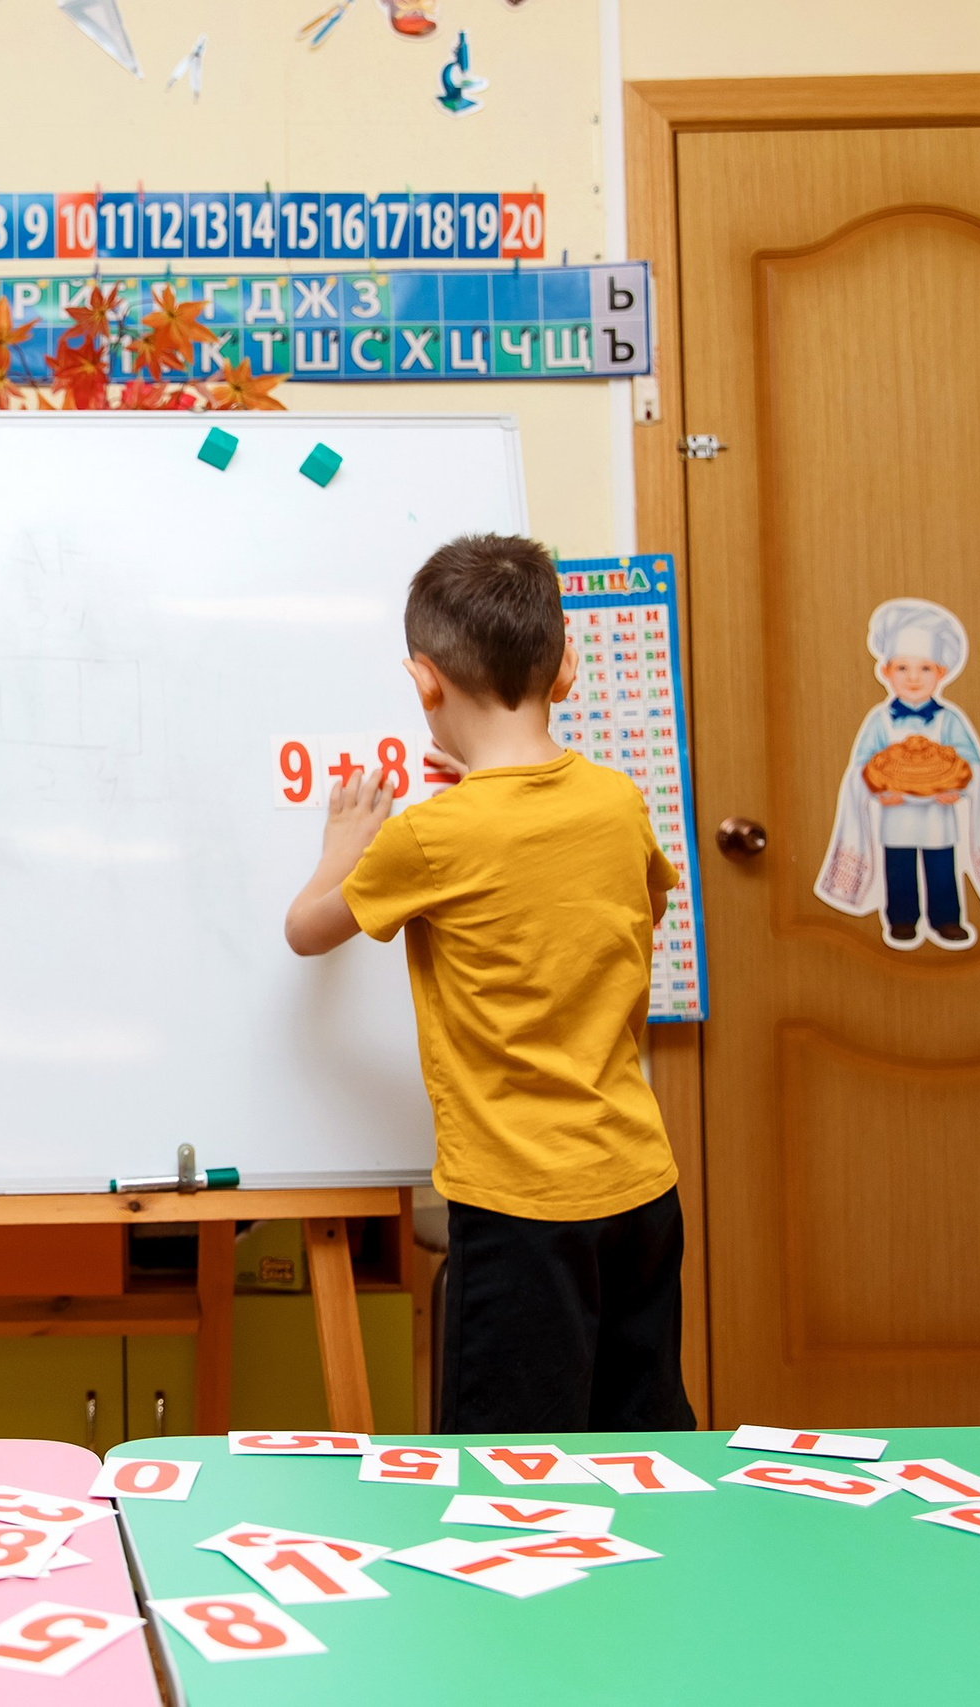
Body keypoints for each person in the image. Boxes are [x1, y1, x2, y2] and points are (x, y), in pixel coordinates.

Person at [282, 533, 693, 1433]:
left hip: (519, 1210)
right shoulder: (618, 803)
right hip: (637, 1185)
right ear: (568, 669)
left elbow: (307, 930)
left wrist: (342, 850)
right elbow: (620, 923)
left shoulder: (432, 838)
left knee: (506, 1471)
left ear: (425, 681)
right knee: (643, 1447)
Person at [813, 597, 980, 950]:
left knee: (942, 869)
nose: (913, 678)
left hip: (939, 816)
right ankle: (902, 919)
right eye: (902, 669)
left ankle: (946, 919)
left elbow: (970, 761)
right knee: (899, 870)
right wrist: (879, 792)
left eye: (924, 669)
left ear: (941, 673)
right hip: (896, 816)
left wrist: (958, 787)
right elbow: (862, 765)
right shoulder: (879, 722)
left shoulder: (948, 720)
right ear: (886, 672)